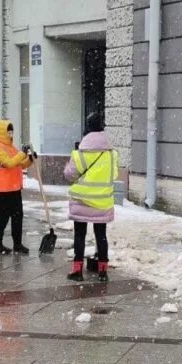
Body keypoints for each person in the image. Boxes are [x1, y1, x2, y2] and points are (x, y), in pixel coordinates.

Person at [64, 113, 117, 282]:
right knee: (101, 235)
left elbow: (69, 175)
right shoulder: (111, 154)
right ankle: (102, 271)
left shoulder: (80, 153)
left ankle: (77, 271)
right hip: (102, 201)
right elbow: (114, 174)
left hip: (82, 200)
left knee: (79, 235)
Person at [0, 120, 35, 255]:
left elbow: (20, 164)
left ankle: (17, 244)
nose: (10, 134)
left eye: (11, 131)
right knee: (2, 217)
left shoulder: (11, 147)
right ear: (2, 132)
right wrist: (22, 154)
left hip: (13, 187)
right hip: (1, 189)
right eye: (8, 131)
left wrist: (30, 158)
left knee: (17, 216)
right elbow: (8, 163)